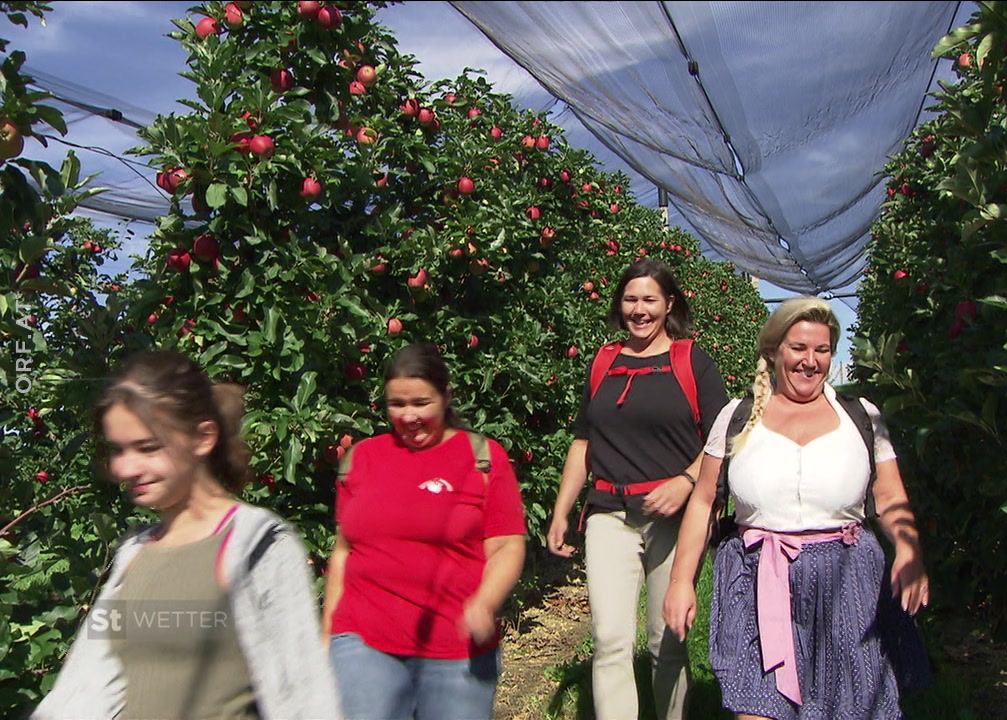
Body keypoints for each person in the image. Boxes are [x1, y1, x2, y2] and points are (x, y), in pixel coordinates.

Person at [32, 350, 343, 720]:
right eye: (118, 450)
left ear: (202, 437)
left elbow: (303, 699)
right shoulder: (135, 555)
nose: (126, 467)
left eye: (148, 447)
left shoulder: (257, 547)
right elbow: (84, 688)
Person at [663, 296, 930, 720]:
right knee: (756, 708)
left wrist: (909, 551)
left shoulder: (861, 417)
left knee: (851, 708)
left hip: (848, 582)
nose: (810, 361)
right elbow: (703, 501)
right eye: (798, 349)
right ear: (773, 352)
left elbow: (892, 497)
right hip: (756, 581)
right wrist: (681, 580)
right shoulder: (737, 416)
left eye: (822, 350)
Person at [546, 258, 730, 720]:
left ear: (669, 304)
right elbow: (583, 442)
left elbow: (724, 438)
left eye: (650, 299)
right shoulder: (604, 361)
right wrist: (562, 511)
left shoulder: (691, 361)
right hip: (610, 512)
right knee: (609, 640)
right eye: (631, 299)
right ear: (620, 305)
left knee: (665, 639)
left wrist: (686, 482)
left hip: (674, 519)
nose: (640, 309)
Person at [323, 342, 528, 720]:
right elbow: (343, 552)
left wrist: (485, 601)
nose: (408, 416)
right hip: (363, 639)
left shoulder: (482, 458)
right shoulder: (361, 459)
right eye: (397, 405)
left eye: (421, 403)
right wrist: (327, 635)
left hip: (455, 649)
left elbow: (506, 546)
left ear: (446, 397)